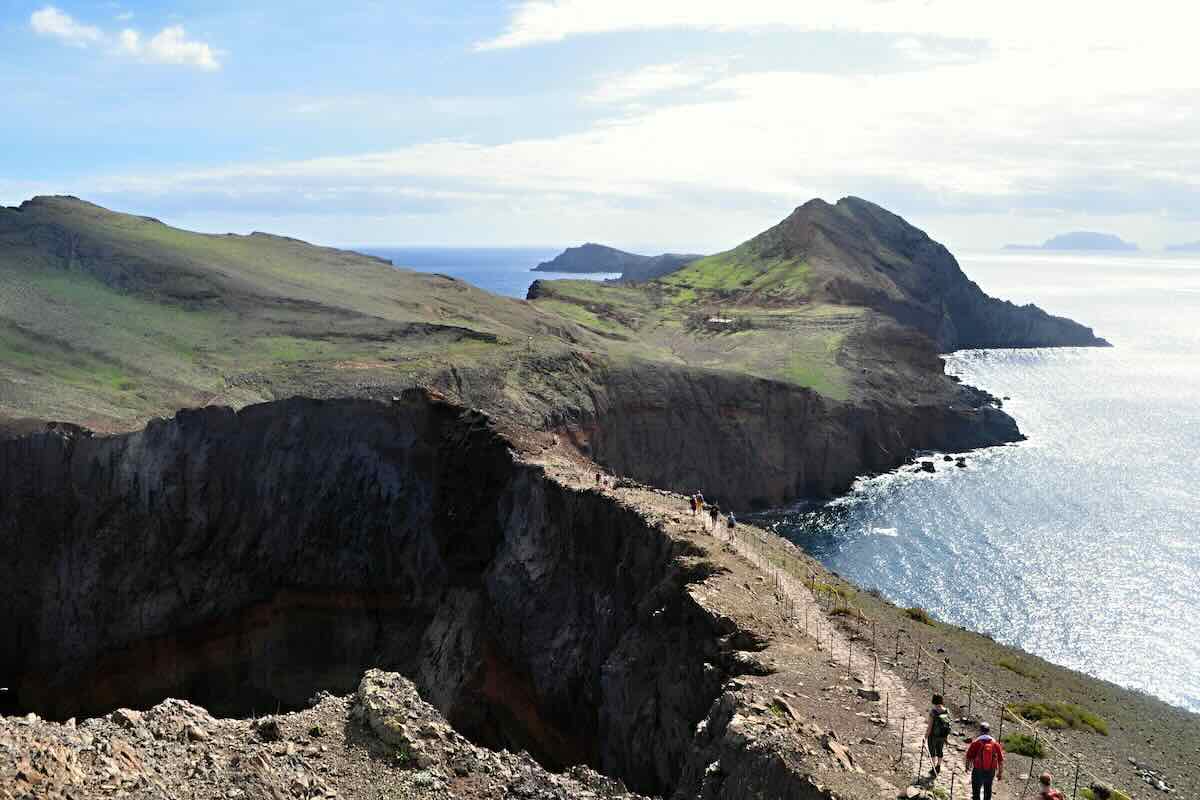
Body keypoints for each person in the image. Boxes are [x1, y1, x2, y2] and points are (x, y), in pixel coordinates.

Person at [963, 722, 1004, 800]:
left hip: (978, 770)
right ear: (988, 731)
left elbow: (968, 757)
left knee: (976, 791)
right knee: (988, 789)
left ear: (980, 731)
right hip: (991, 770)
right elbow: (1000, 760)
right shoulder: (995, 743)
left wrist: (967, 767)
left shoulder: (976, 742)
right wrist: (1000, 773)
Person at [925, 693, 952, 776]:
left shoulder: (933, 712)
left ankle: (933, 769)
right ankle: (938, 766)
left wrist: (925, 736)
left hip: (933, 736)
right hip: (942, 736)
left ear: (933, 700)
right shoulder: (946, 711)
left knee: (932, 751)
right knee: (940, 751)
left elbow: (930, 727)